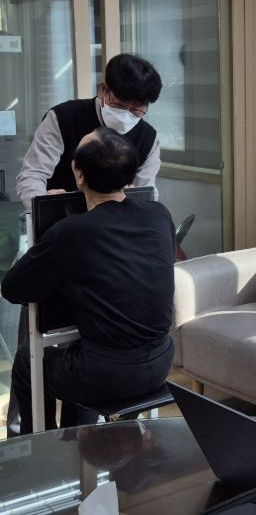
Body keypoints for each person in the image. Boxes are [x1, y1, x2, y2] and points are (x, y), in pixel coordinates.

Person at [1, 127, 176, 434]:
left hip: (107, 375)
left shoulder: (72, 231)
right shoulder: (159, 214)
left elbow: (12, 288)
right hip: (161, 361)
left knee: (29, 363)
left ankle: (44, 449)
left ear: (79, 176)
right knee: (83, 352)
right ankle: (78, 442)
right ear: (129, 176)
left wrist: (50, 225)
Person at [16, 53, 162, 211]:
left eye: (136, 110)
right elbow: (32, 174)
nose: (125, 116)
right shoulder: (63, 118)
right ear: (103, 90)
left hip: (116, 221)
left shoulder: (148, 139)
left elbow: (145, 194)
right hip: (60, 217)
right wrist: (43, 206)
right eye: (119, 106)